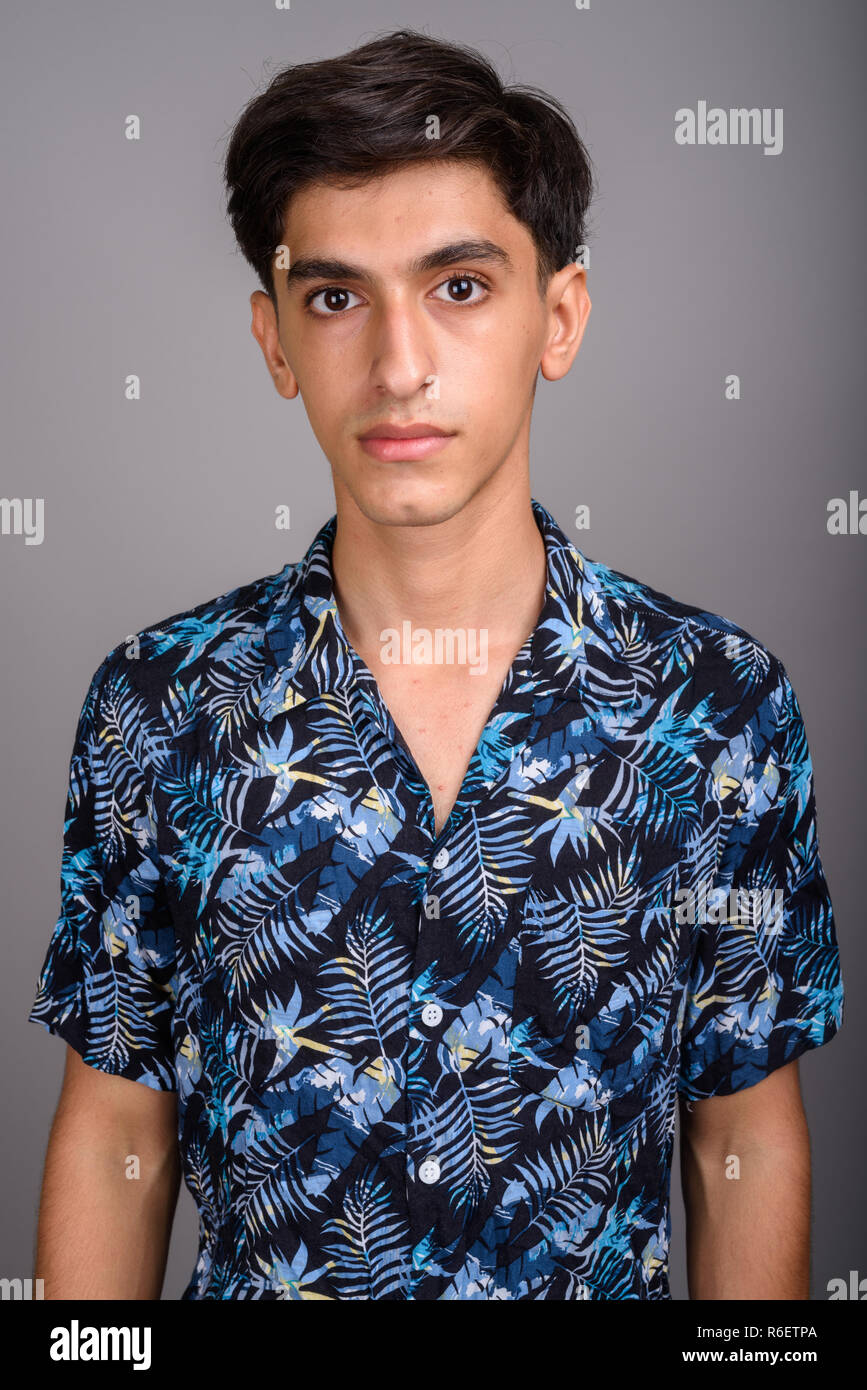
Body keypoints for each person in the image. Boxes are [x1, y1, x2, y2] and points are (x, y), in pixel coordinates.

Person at [28, 28, 843, 1301]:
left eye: (459, 285)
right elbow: (117, 1130)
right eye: (338, 297)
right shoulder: (160, 706)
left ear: (557, 315)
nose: (400, 367)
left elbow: (739, 1129)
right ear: (275, 339)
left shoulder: (717, 706)